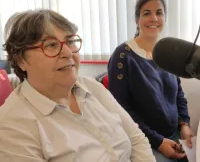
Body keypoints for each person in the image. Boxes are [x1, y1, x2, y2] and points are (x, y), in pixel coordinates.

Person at [0, 9, 155, 162]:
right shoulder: (11, 126)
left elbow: (136, 140)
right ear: (21, 60)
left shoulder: (92, 86)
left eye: (70, 42)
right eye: (51, 45)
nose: (68, 52)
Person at [108, 0, 193, 162]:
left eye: (159, 13)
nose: (153, 18)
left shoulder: (168, 53)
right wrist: (159, 142)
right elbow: (122, 110)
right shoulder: (122, 56)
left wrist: (184, 125)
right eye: (146, 13)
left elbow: (178, 95)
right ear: (137, 20)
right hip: (144, 140)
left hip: (175, 134)